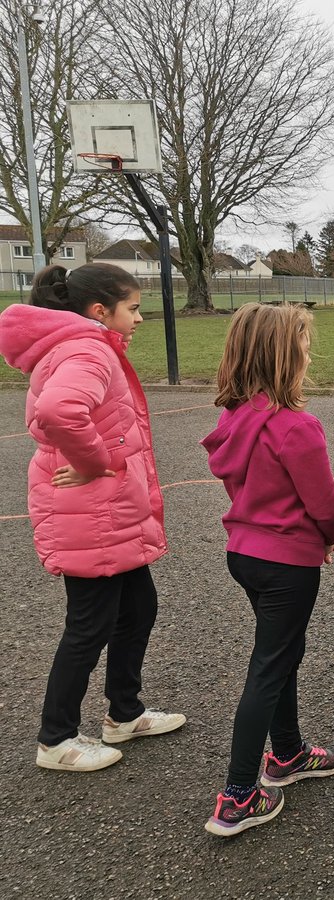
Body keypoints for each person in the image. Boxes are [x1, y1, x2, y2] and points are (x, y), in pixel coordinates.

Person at [0, 263, 184, 773]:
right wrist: (96, 461)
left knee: (138, 605)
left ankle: (124, 712)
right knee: (89, 625)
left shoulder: (81, 346)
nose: (140, 318)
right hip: (92, 514)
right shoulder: (87, 349)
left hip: (109, 512)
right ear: (100, 311)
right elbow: (59, 412)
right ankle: (55, 739)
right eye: (134, 308)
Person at [201, 303, 334, 836]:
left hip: (244, 553)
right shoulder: (296, 427)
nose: (311, 354)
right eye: (305, 345)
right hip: (287, 562)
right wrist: (327, 537)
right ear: (284, 357)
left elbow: (241, 486)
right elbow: (325, 504)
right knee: (270, 664)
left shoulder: (234, 419)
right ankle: (238, 796)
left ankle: (286, 753)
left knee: (281, 650)